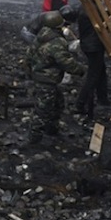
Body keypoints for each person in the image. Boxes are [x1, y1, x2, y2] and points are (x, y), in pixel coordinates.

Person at [26, 10, 85, 144]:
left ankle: (52, 129)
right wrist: (81, 70)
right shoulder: (57, 42)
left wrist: (30, 72)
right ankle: (34, 139)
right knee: (43, 110)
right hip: (47, 80)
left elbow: (28, 56)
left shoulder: (40, 36)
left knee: (58, 103)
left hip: (40, 77)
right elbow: (66, 62)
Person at [75, 0, 109, 117]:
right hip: (94, 46)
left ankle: (103, 99)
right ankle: (81, 103)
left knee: (101, 71)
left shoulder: (85, 6)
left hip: (89, 44)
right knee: (93, 75)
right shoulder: (92, 9)